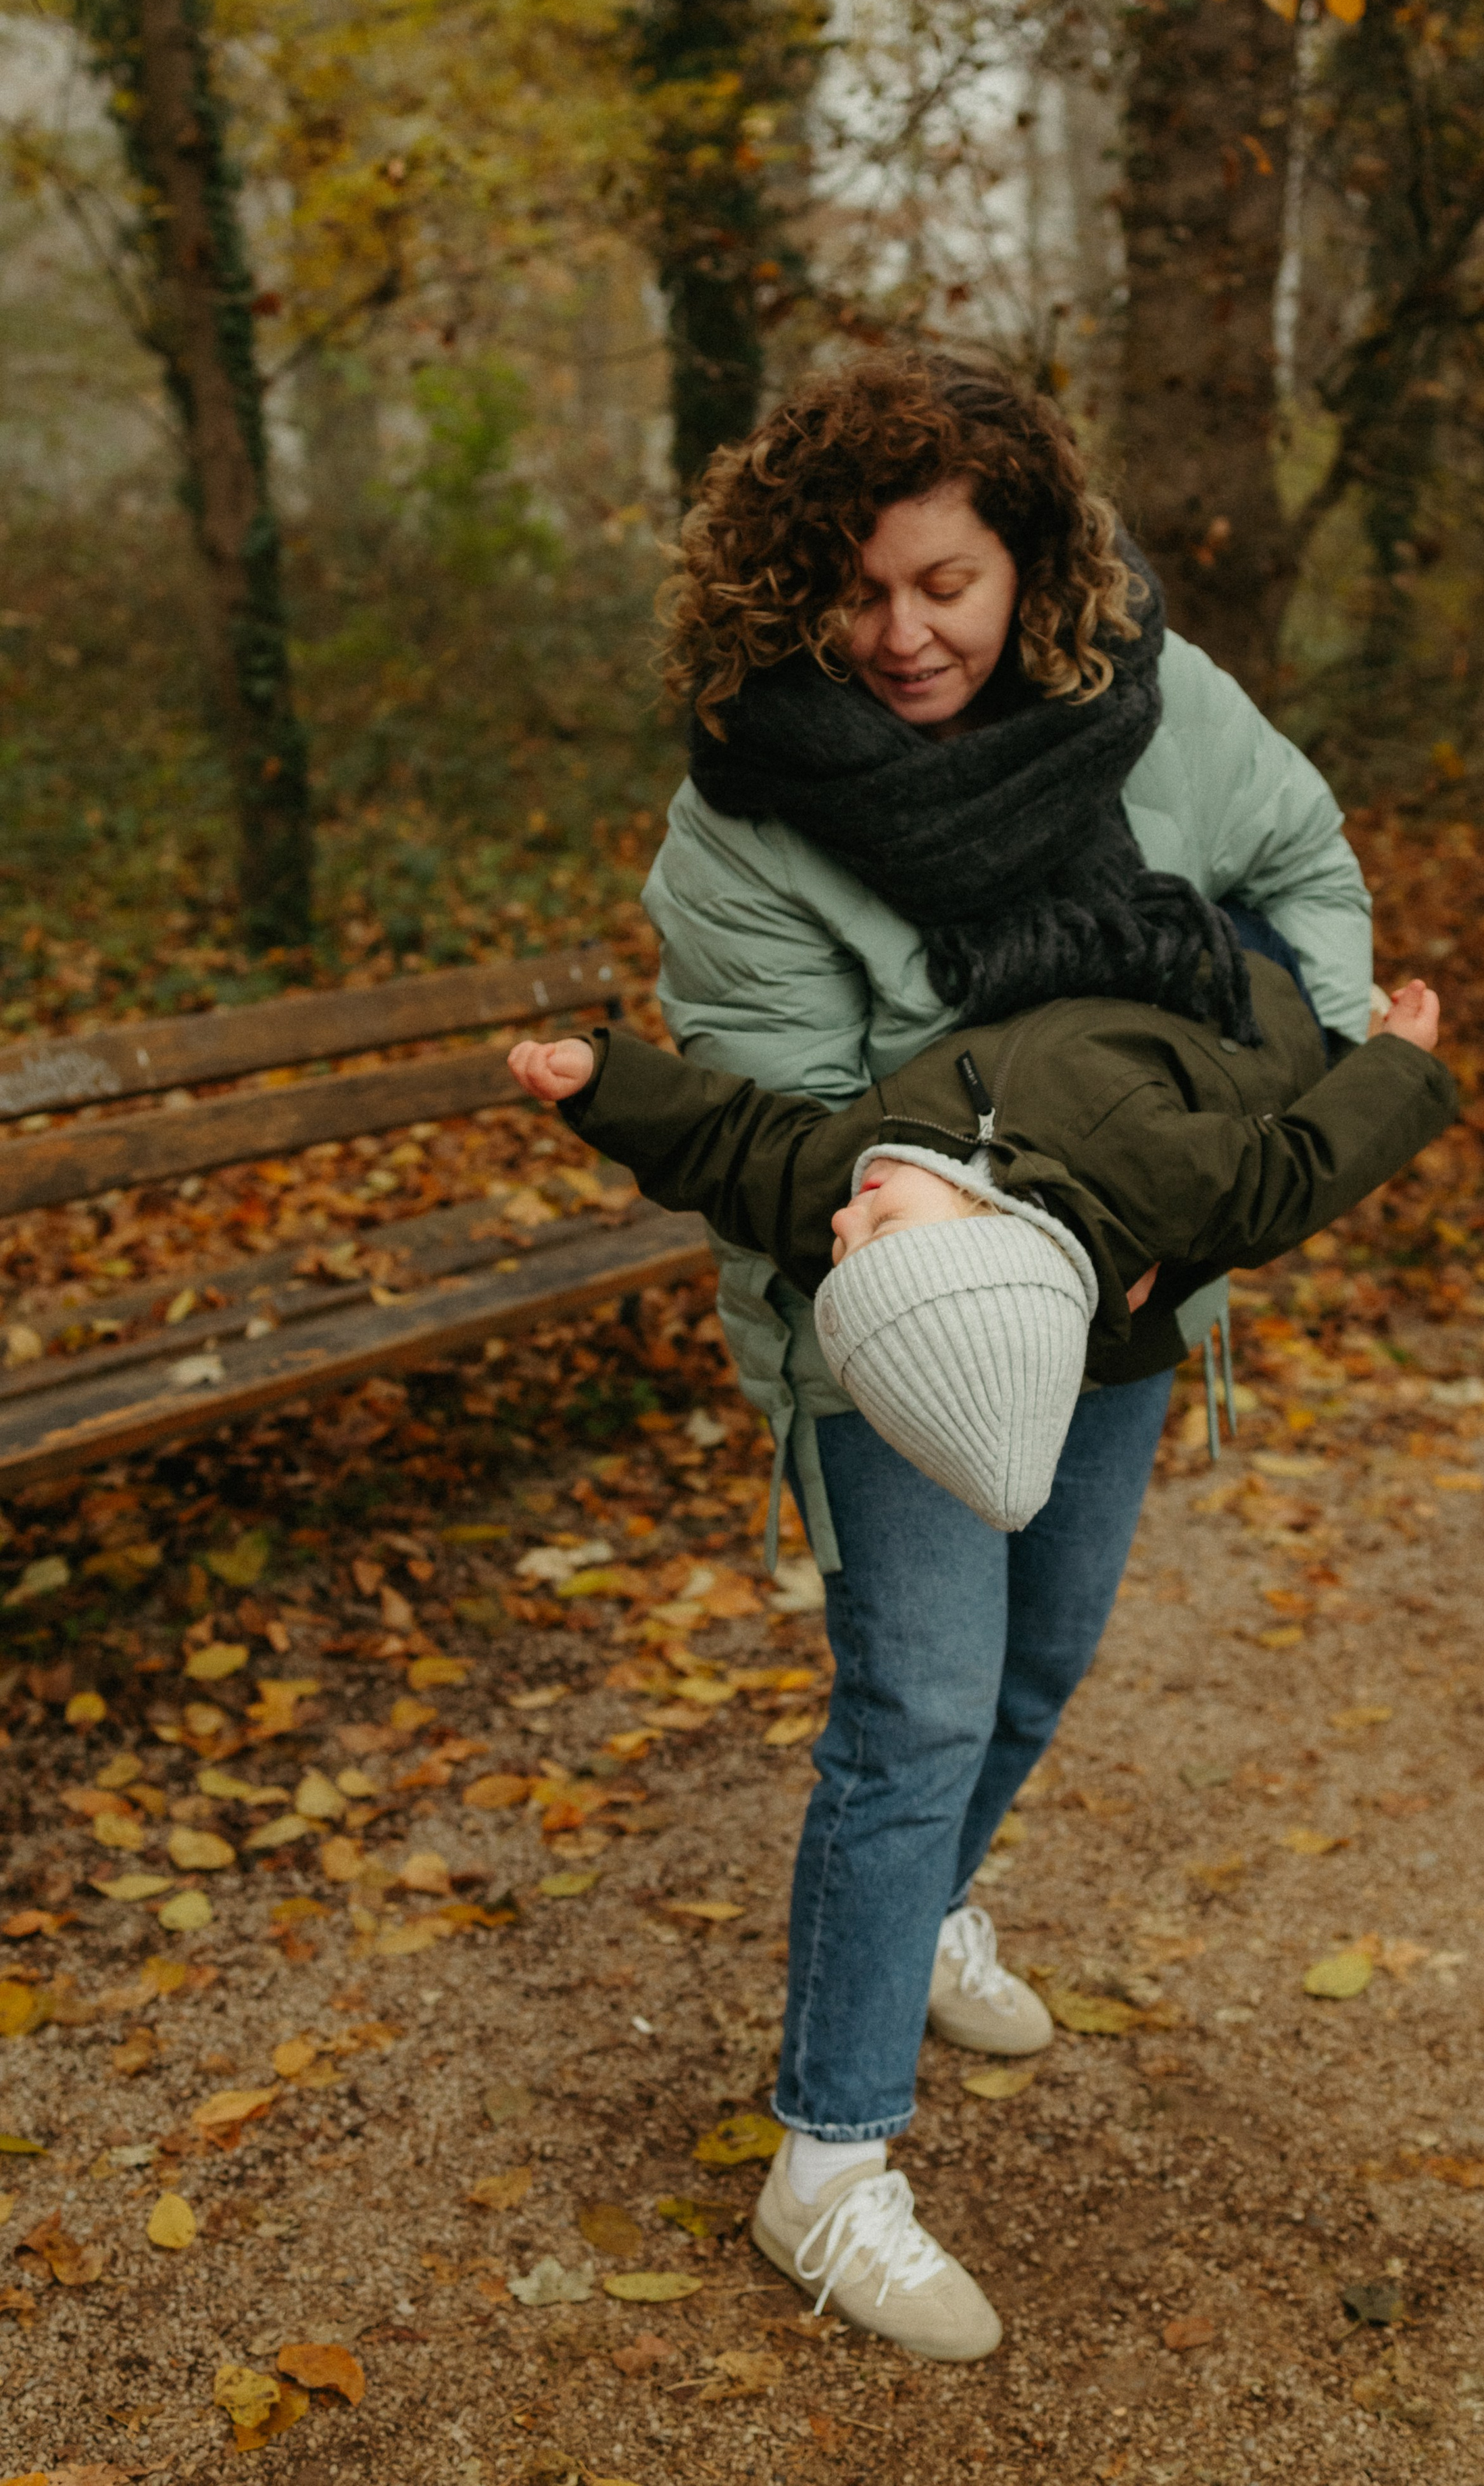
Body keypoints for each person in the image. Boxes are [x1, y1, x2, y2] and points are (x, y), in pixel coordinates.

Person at [537, 351, 1381, 2362]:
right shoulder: (750, 819)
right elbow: (792, 1135)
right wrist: (1007, 1199)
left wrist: (1281, 1091)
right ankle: (825, 2163)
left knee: (1045, 1661)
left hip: (1141, 1290)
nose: (900, 635)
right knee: (915, 1704)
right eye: (855, 593)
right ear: (785, 593)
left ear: (1033, 564)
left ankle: (916, 1919)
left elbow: (1307, 879)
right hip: (902, 1321)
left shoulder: (1157, 710)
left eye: (944, 583)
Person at [510, 962, 1450, 1534]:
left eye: (844, 1256)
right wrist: (1392, 1059)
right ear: (991, 1232)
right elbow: (1302, 1168)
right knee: (1285, 1011)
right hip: (1232, 1021)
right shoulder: (1158, 1176)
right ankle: (1331, 1024)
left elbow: (727, 1145)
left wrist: (604, 1083)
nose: (844, 1226)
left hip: (1083, 975)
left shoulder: (844, 1179)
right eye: (881, 1234)